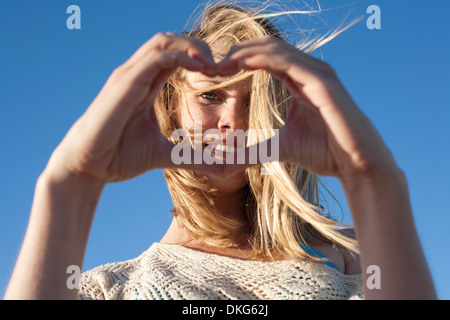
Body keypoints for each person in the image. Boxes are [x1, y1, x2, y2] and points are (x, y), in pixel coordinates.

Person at [4, 1, 436, 300]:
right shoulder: (109, 286)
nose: (235, 122)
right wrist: (69, 184)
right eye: (210, 96)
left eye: (256, 102)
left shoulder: (356, 259)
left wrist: (375, 181)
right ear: (171, 110)